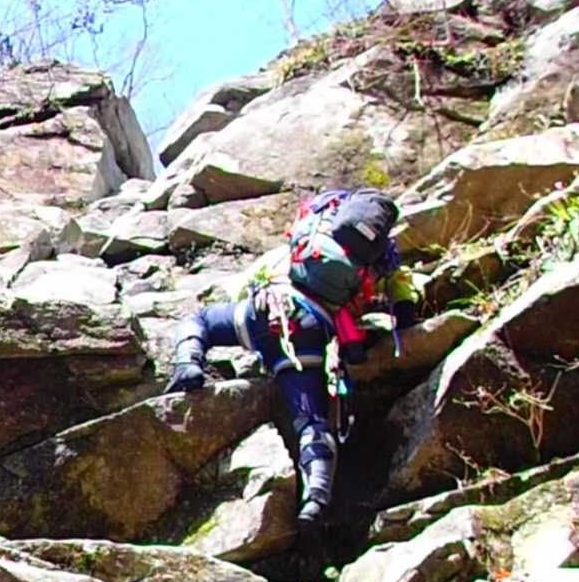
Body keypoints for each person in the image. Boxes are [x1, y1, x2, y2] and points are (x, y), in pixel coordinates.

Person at [161, 188, 421, 532]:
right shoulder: (380, 257)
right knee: (311, 419)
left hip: (268, 307)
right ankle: (315, 499)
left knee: (200, 320)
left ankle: (188, 363)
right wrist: (404, 316)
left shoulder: (309, 232)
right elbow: (402, 291)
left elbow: (245, 286)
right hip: (311, 329)